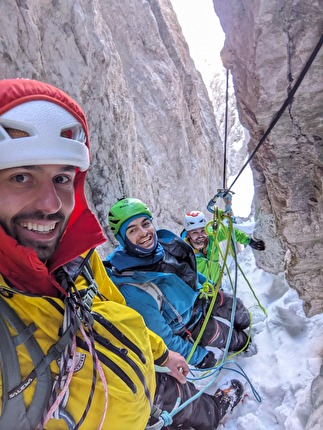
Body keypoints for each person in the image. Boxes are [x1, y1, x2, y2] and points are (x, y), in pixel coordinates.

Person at [0, 78, 243, 430]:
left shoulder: (77, 260)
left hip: (146, 380)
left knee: (192, 404)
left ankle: (213, 410)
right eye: (21, 177)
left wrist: (163, 353)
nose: (51, 204)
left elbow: (121, 316)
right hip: (130, 393)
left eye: (62, 178)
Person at [105, 197, 251, 372]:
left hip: (202, 296)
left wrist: (210, 286)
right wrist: (199, 357)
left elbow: (186, 271)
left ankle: (249, 328)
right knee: (234, 339)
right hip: (190, 326)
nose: (144, 232)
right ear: (122, 238)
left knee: (240, 311)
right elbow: (164, 339)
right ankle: (247, 345)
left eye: (145, 223)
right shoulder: (132, 288)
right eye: (132, 230)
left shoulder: (165, 245)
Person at [182, 211, 265, 285]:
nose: (200, 235)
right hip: (201, 291)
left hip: (217, 285)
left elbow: (230, 231)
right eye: (195, 232)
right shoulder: (183, 251)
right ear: (188, 234)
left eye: (203, 230)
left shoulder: (212, 236)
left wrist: (249, 241)